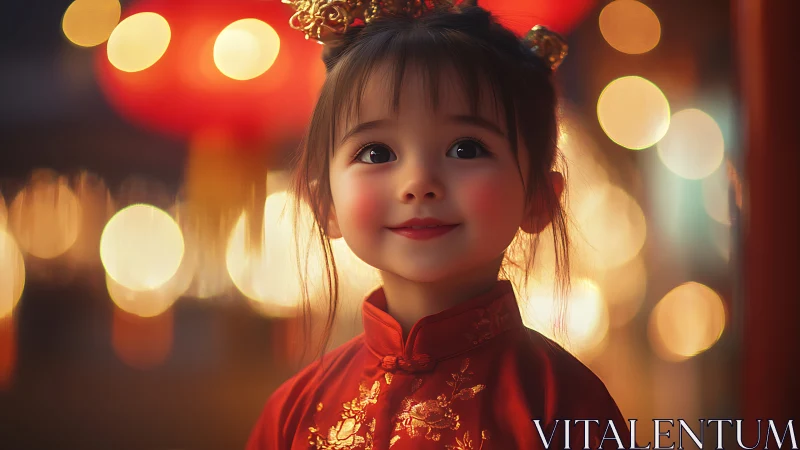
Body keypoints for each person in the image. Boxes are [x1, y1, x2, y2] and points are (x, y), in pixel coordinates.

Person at [247, 1, 631, 448]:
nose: (418, 184)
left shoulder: (564, 403)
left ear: (539, 198)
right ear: (326, 203)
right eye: (376, 153)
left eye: (465, 149)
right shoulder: (294, 410)